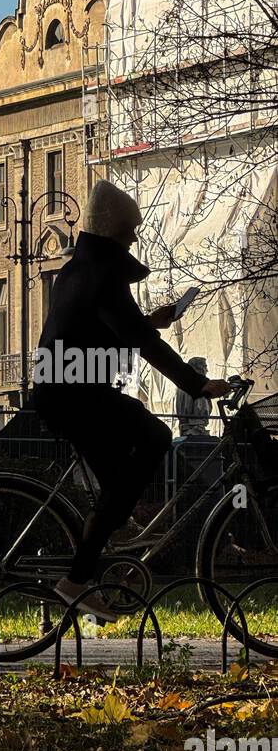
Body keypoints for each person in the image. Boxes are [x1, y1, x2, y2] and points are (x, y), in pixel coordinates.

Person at [31, 179, 230, 621]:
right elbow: (139, 344)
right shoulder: (102, 277)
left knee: (130, 467)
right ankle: (77, 580)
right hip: (74, 395)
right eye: (129, 232)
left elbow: (105, 334)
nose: (134, 238)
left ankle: (105, 526)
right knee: (152, 440)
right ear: (114, 233)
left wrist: (148, 322)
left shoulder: (80, 270)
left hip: (68, 390)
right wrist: (195, 385)